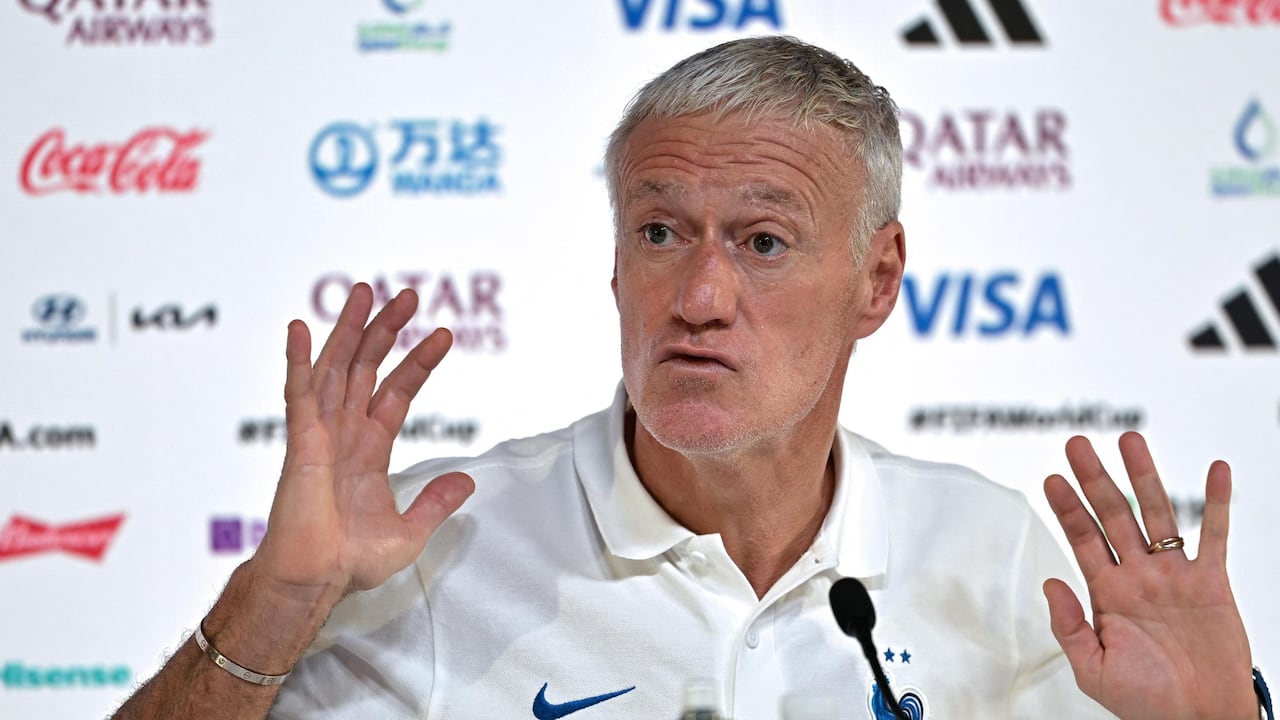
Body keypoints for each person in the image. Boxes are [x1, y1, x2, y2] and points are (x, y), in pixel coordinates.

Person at [112, 36, 1263, 720]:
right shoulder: (433, 546)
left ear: (876, 279)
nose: (699, 295)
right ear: (615, 262)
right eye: (660, 232)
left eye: (761, 241)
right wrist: (276, 597)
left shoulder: (989, 552)